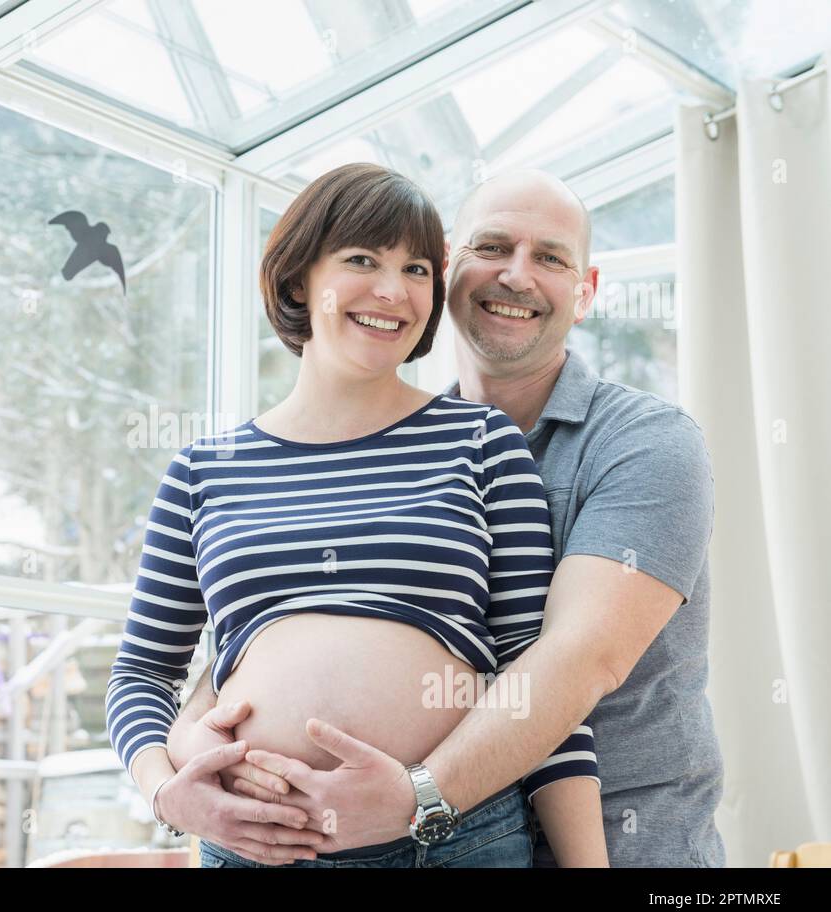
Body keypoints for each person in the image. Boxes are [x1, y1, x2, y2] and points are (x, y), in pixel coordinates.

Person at [171, 168, 724, 868]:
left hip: (622, 842)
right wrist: (190, 740)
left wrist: (415, 798)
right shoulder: (392, 445)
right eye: (492, 247)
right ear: (451, 270)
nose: (517, 276)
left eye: (550, 258)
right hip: (354, 834)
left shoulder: (647, 442)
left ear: (584, 292)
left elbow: (574, 660)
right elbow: (271, 622)